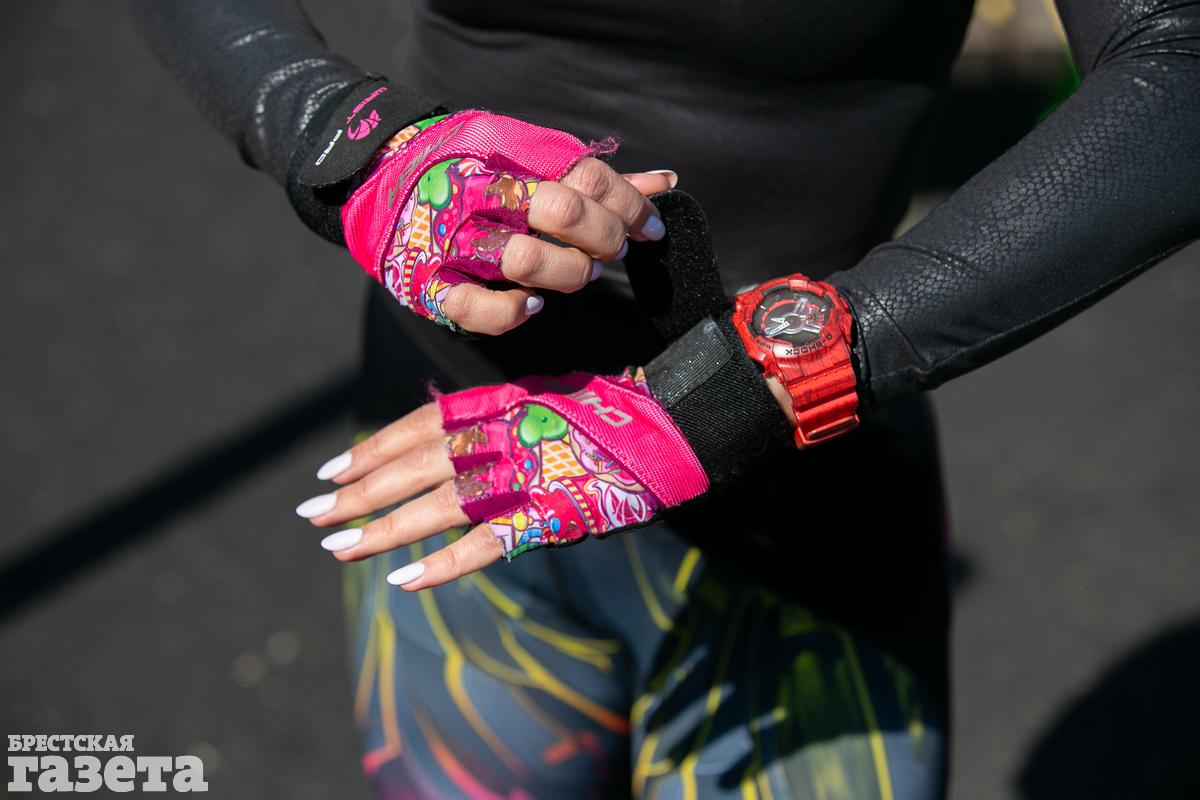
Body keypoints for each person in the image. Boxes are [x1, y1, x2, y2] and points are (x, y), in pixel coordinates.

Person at [130, 1, 1200, 798]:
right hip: (451, 466)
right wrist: (352, 145)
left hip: (792, 506)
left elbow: (1179, 60)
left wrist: (745, 387)